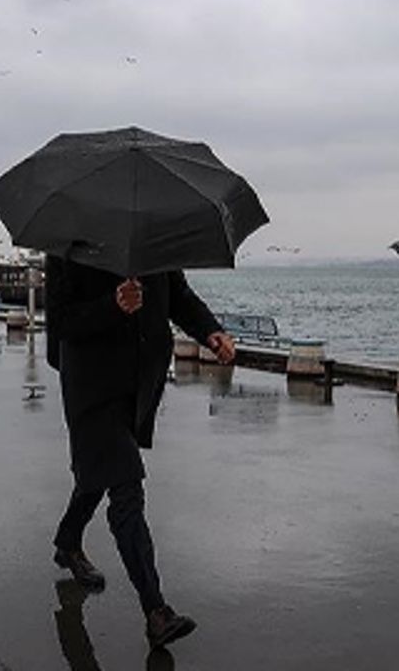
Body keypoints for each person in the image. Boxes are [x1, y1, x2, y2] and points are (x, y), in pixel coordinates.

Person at [46, 253, 236, 649]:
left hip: (136, 388)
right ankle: (156, 611)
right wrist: (111, 306)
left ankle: (67, 542)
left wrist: (209, 331)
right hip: (91, 387)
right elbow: (61, 321)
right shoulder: (69, 242)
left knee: (102, 470)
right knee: (126, 487)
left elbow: (177, 295)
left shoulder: (154, 236)